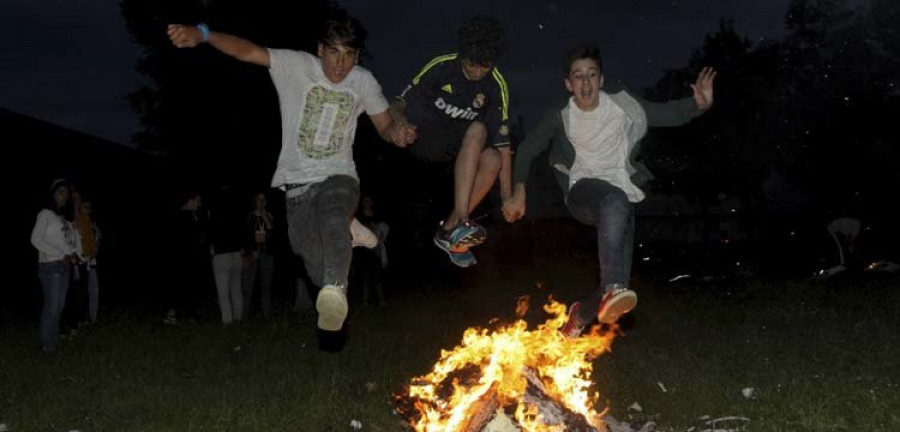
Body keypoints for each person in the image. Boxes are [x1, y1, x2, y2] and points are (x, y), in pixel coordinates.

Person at [167, 14, 412, 332]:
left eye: (349, 55)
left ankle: (338, 283)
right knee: (314, 268)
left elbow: (384, 125)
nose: (341, 65)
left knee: (333, 218)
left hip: (339, 177)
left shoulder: (363, 80)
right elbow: (247, 51)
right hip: (297, 188)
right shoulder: (295, 65)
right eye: (334, 53)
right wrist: (203, 34)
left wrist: (398, 133)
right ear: (320, 49)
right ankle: (347, 239)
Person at [503, 45, 716, 338]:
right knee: (613, 215)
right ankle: (612, 289)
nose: (586, 83)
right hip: (583, 193)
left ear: (601, 79)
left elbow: (663, 113)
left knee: (616, 284)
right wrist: (519, 191)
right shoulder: (560, 116)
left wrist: (698, 105)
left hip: (622, 199)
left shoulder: (622, 104)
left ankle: (578, 317)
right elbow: (527, 149)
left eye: (592, 75)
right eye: (578, 77)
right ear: (568, 84)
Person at [388, 16, 512, 268]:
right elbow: (397, 102)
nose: (476, 72)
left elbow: (503, 145)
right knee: (477, 128)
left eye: (483, 67)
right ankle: (463, 222)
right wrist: (400, 122)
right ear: (462, 54)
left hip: (458, 150)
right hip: (423, 140)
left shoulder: (495, 85)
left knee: (493, 158)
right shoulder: (441, 67)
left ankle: (451, 229)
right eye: (471, 65)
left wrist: (508, 197)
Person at [30, 179, 81, 352]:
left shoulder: (62, 219)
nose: (64, 195)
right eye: (61, 192)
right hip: (50, 266)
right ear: (52, 194)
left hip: (64, 266)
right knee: (52, 306)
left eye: (66, 193)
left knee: (59, 307)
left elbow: (68, 243)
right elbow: (36, 239)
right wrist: (61, 254)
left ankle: (52, 342)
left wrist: (73, 253)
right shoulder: (45, 214)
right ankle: (46, 345)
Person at [242, 192, 275, 319]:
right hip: (253, 255)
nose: (261, 202)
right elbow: (244, 236)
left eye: (263, 200)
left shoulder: (270, 215)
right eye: (258, 200)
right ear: (254, 202)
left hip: (267, 254)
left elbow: (272, 230)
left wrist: (264, 215)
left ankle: (266, 315)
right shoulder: (250, 216)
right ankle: (243, 315)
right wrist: (247, 253)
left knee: (266, 286)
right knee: (248, 286)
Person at [75, 192, 101, 324]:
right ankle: (82, 318)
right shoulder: (78, 221)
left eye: (89, 208)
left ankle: (92, 317)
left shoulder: (91, 223)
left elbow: (97, 240)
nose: (88, 210)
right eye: (85, 207)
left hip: (92, 260)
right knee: (82, 290)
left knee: (94, 289)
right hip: (81, 260)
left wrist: (95, 249)